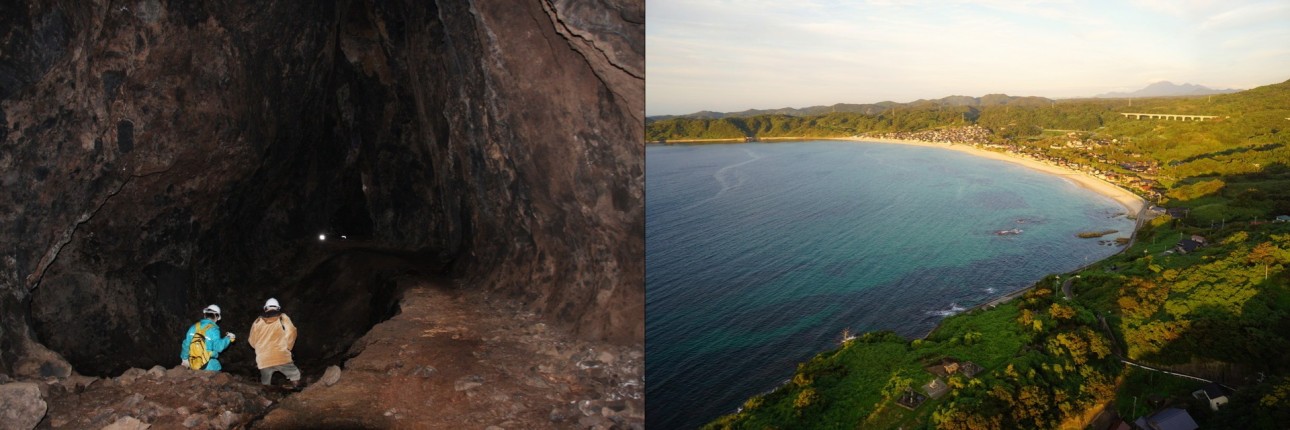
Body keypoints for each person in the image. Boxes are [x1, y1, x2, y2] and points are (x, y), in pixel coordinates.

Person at [249, 298, 302, 389]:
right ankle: (296, 389)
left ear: (266, 308)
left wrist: (260, 350)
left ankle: (267, 396)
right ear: (278, 308)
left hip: (263, 359)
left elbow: (252, 340)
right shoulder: (282, 317)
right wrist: (288, 347)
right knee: (295, 374)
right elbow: (292, 332)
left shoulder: (257, 322)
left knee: (265, 383)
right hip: (280, 355)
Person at [180, 304, 235, 371]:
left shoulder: (193, 327)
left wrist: (184, 359)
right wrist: (228, 338)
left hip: (193, 364)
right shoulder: (213, 330)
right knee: (218, 368)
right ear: (217, 317)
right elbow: (218, 347)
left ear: (205, 315)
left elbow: (186, 345)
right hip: (208, 365)